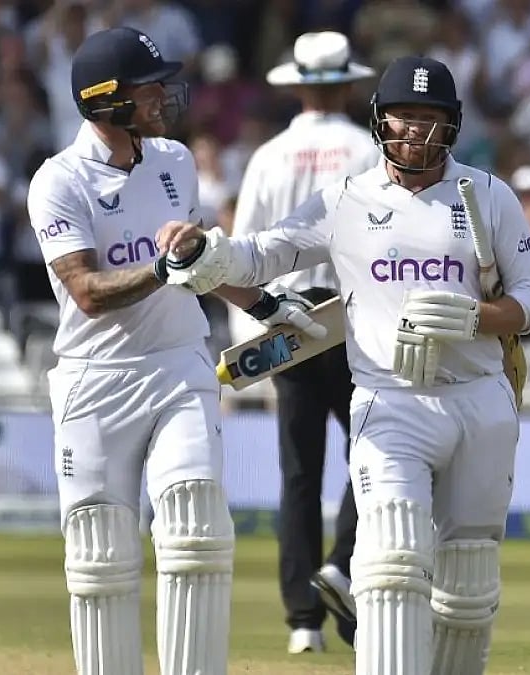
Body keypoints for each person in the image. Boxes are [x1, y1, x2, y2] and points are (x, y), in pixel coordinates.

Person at [153, 56, 530, 675]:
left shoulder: (488, 195)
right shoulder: (346, 198)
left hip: (480, 396)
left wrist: (476, 318)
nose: (414, 132)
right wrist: (206, 250)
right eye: (403, 118)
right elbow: (262, 256)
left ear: (451, 125)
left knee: (468, 584)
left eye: (429, 119)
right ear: (379, 121)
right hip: (389, 400)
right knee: (390, 560)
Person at [25, 27, 325, 675]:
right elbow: (85, 290)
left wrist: (267, 306)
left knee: (197, 530)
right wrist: (164, 268)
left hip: (179, 366)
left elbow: (199, 265)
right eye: (149, 86)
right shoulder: (58, 181)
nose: (164, 95)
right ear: (106, 100)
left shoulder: (175, 161)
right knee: (100, 559)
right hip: (95, 381)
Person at [231, 30, 378, 654]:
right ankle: (342, 568)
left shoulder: (268, 156)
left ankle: (302, 623)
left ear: (297, 87)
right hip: (349, 323)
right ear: (346, 84)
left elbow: (242, 247)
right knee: (370, 458)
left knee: (297, 474)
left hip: (284, 325)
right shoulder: (368, 149)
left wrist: (252, 337)